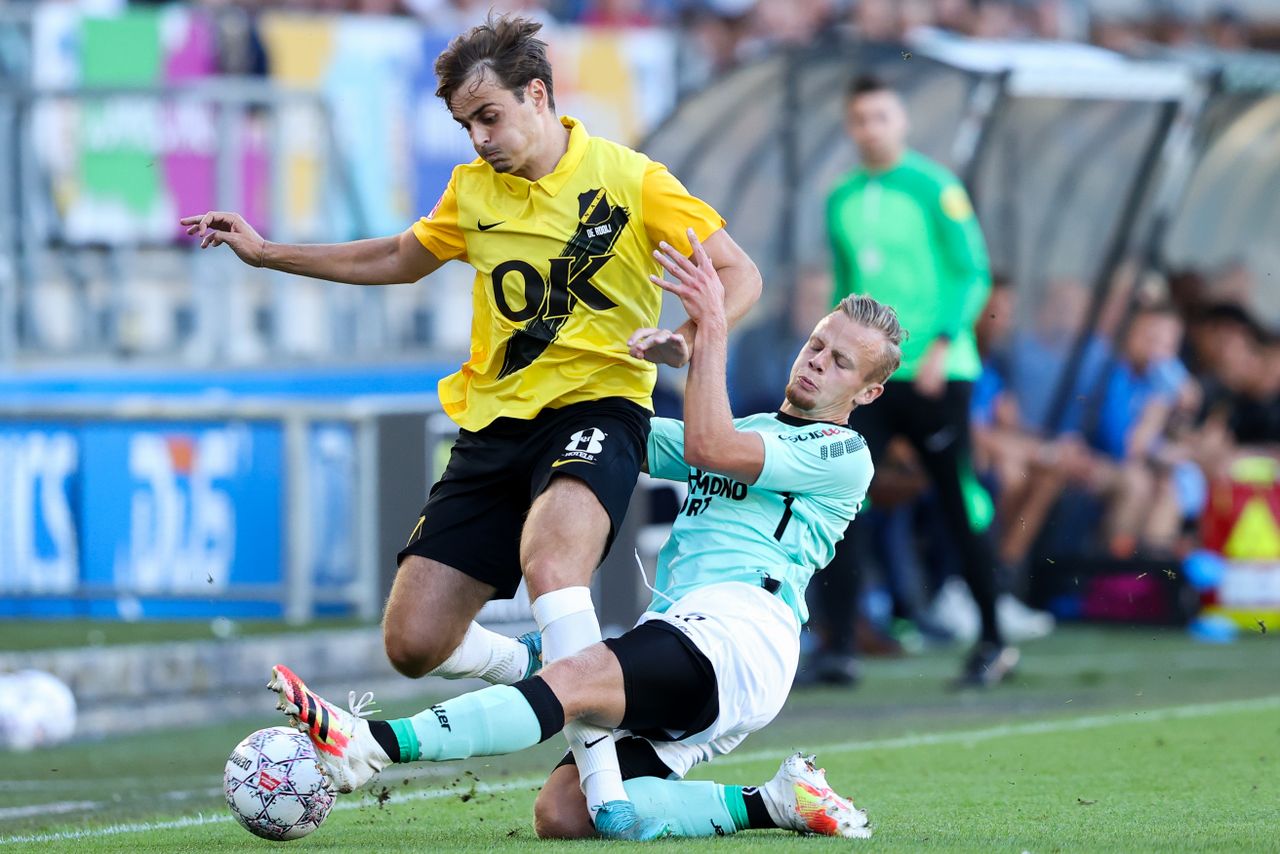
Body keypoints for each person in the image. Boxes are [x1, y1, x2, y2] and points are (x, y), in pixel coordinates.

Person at [182, 15, 761, 840]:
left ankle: (608, 792)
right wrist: (270, 252)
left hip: (600, 407)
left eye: (488, 117)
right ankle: (538, 661)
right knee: (413, 644)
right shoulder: (471, 192)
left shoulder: (632, 181)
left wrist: (693, 338)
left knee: (553, 564)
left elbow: (740, 274)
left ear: (537, 95)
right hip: (494, 427)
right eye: (464, 125)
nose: (478, 138)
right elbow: (394, 258)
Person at [268, 230, 904, 841]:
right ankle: (776, 802)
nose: (818, 361)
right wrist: (566, 369)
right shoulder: (756, 427)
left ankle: (367, 746)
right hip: (691, 633)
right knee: (566, 813)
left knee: (574, 685)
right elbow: (628, 436)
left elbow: (710, 443)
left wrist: (708, 328)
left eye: (840, 361)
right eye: (818, 344)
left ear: (868, 391)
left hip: (740, 636)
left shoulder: (842, 453)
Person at [814, 74, 1014, 688]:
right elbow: (845, 285)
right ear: (850, 126)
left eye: (880, 116)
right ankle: (840, 645)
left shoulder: (935, 187)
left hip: (934, 371)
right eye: (859, 119)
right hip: (869, 374)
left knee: (956, 501)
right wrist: (831, 352)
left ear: (899, 122)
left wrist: (948, 343)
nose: (869, 128)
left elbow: (970, 270)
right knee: (838, 497)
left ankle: (993, 640)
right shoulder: (841, 197)